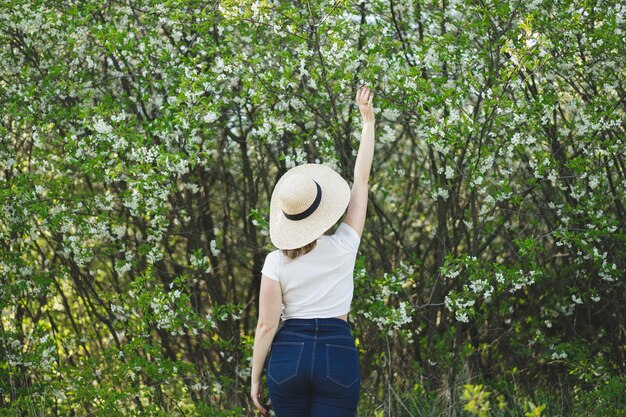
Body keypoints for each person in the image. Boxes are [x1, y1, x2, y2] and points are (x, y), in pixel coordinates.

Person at [250, 86, 375, 417]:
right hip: (337, 353)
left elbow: (266, 326)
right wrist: (367, 122)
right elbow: (360, 182)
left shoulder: (275, 262)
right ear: (323, 212)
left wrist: (254, 378)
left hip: (289, 356)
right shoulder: (344, 244)